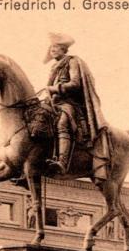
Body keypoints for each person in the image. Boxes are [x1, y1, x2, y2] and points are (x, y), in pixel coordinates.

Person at [44, 32, 109, 178]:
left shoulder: (72, 61)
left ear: (63, 49)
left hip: (69, 103)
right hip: (55, 103)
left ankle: (62, 161)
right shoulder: (55, 66)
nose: (52, 49)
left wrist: (56, 88)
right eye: (51, 47)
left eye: (56, 47)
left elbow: (75, 83)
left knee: (62, 123)